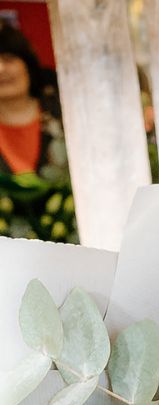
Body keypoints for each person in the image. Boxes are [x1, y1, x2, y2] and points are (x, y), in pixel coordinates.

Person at [0, 23, 75, 242]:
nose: (1, 69)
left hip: (78, 250)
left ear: (28, 65)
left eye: (8, 58)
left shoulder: (67, 113)